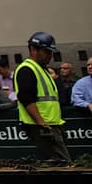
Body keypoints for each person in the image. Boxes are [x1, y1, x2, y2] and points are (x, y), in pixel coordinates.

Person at [14, 32, 71, 163]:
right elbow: (26, 99)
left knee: (57, 163)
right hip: (42, 126)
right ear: (33, 49)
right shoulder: (27, 69)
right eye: (46, 51)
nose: (50, 55)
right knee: (63, 163)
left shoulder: (41, 69)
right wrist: (42, 124)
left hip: (49, 124)